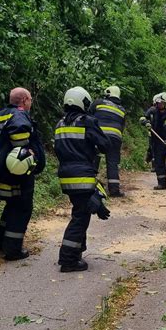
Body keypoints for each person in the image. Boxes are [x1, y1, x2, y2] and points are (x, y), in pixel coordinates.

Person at [0, 87, 45, 260]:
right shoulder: (19, 115)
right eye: (30, 100)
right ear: (25, 100)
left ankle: (0, 243)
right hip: (17, 174)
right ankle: (13, 250)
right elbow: (19, 138)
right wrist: (29, 153)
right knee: (21, 208)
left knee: (12, 206)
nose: (31, 103)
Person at [55, 87, 111, 272]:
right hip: (83, 175)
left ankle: (77, 251)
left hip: (66, 176)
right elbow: (104, 145)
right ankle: (68, 259)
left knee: (81, 211)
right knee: (80, 217)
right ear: (83, 102)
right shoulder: (87, 121)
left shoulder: (60, 124)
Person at [89, 85, 126, 197]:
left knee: (94, 158)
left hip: (100, 135)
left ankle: (89, 186)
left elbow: (89, 117)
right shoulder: (122, 109)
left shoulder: (98, 103)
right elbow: (122, 126)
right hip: (115, 137)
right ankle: (114, 190)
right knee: (113, 163)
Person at [139, 92, 166, 191]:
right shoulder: (153, 111)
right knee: (159, 163)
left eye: (161, 103)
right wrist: (146, 122)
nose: (159, 105)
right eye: (158, 103)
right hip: (157, 142)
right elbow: (144, 117)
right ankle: (161, 184)